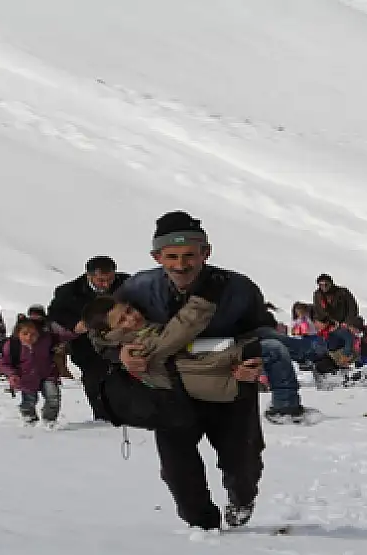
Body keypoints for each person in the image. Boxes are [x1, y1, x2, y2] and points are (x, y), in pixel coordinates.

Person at [111, 210, 281, 530]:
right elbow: (102, 331)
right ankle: (205, 533)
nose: (180, 265)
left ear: (206, 252)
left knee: (242, 463)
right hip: (170, 389)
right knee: (178, 471)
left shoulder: (238, 287)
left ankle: (241, 500)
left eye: (189, 255)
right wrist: (120, 353)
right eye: (171, 256)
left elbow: (265, 331)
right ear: (156, 256)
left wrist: (255, 360)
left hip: (230, 385)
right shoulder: (137, 289)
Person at [82, 294, 262, 402]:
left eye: (129, 311)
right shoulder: (136, 351)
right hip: (228, 384)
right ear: (109, 333)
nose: (132, 318)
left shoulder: (149, 330)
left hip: (231, 378)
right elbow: (179, 333)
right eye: (122, 320)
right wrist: (202, 301)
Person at [48, 257, 130, 419]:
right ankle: (103, 417)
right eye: (101, 280)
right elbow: (55, 314)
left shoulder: (128, 283)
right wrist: (74, 324)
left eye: (110, 279)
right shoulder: (68, 291)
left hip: (122, 340)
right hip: (87, 345)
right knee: (94, 378)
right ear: (89, 276)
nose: (106, 284)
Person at [0, 318, 75, 426]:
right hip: (26, 378)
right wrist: (12, 374)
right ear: (17, 333)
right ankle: (29, 418)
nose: (29, 337)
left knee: (53, 397)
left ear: (39, 334)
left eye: (33, 334)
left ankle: (49, 420)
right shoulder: (12, 346)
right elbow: (3, 363)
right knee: (29, 401)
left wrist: (77, 330)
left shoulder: (47, 340)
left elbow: (65, 336)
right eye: (25, 334)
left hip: (48, 375)